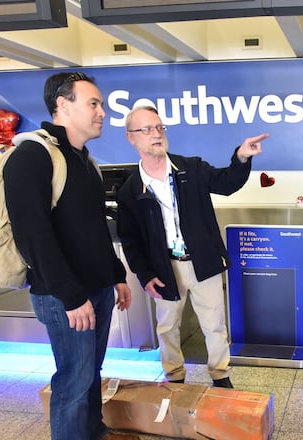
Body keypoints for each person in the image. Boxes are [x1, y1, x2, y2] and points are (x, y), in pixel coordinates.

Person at [3, 72, 134, 440]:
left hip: (97, 290)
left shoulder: (83, 160)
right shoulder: (31, 156)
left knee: (90, 374)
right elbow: (33, 237)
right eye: (93, 103)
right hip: (65, 297)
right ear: (63, 105)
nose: (102, 113)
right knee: (72, 383)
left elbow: (94, 228)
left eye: (102, 105)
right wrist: (72, 296)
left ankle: (96, 433)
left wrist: (117, 275)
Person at [116, 105, 267, 389]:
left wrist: (241, 157)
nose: (156, 134)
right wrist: (145, 276)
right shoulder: (130, 189)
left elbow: (226, 183)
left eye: (159, 127)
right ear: (130, 137)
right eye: (146, 129)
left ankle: (220, 376)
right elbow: (131, 239)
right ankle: (175, 378)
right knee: (167, 327)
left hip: (203, 261)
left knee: (214, 324)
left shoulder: (191, 168)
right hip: (164, 268)